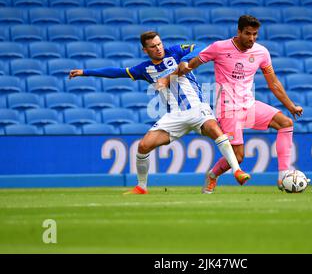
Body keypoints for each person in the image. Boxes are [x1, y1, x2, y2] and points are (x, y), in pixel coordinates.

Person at [69, 31, 251, 194]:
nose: (158, 48)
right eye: (153, 46)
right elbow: (116, 72)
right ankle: (142, 186)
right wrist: (85, 72)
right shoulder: (143, 69)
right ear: (145, 50)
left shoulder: (176, 51)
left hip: (197, 108)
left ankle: (236, 171)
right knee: (143, 146)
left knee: (215, 130)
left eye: (159, 44)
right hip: (174, 116)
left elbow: (203, 47)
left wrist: (184, 62)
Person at [159, 15, 303, 193]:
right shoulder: (220, 47)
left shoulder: (261, 52)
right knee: (238, 157)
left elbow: (273, 83)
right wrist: (171, 76)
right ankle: (212, 175)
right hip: (227, 109)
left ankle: (283, 175)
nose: (251, 38)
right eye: (248, 34)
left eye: (255, 34)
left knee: (286, 123)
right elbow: (194, 63)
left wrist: (290, 106)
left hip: (249, 104)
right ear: (239, 32)